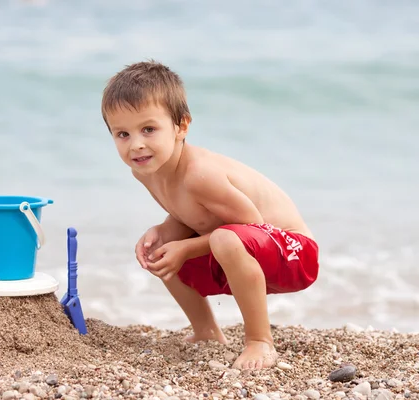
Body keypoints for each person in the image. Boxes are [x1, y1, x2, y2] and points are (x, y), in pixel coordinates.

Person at [100, 60, 320, 370]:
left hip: (295, 254)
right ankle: (206, 332)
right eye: (122, 134)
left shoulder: (201, 174)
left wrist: (187, 247)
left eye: (149, 129)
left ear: (181, 126)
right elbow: (191, 213)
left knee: (223, 240)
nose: (136, 144)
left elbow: (252, 224)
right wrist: (163, 229)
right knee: (159, 249)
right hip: (240, 246)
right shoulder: (146, 172)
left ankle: (260, 341)